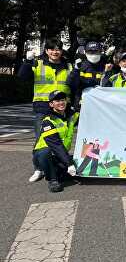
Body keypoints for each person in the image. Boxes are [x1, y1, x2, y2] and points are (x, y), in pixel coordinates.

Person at [18, 39, 74, 183]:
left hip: (63, 108)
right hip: (43, 108)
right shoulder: (38, 63)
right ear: (47, 51)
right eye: (52, 49)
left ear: (61, 51)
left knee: (64, 137)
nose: (55, 52)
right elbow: (22, 77)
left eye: (58, 49)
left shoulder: (68, 66)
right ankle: (38, 168)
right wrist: (27, 61)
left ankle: (60, 164)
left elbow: (74, 85)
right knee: (40, 140)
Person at [32, 90, 79, 192]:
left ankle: (58, 172)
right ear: (51, 104)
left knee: (79, 166)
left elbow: (84, 114)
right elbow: (56, 145)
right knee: (46, 153)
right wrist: (69, 163)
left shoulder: (70, 117)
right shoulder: (48, 121)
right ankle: (53, 180)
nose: (61, 103)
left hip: (59, 155)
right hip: (43, 155)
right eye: (57, 101)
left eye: (63, 100)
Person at [67, 40, 108, 110]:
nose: (93, 54)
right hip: (81, 106)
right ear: (85, 53)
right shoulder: (79, 67)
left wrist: (107, 73)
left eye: (96, 51)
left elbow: (109, 88)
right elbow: (71, 84)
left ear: (101, 52)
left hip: (100, 107)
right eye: (90, 52)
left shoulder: (106, 67)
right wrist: (76, 70)